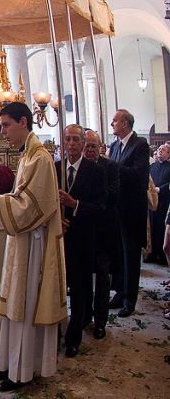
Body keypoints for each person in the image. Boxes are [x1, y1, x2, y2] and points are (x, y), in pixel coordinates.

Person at [0, 102, 66, 392]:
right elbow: (19, 198)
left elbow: (28, 209)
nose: (3, 132)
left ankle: (22, 372)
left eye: (6, 125)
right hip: (21, 241)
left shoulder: (40, 159)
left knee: (24, 303)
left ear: (24, 122)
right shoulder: (26, 156)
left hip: (33, 244)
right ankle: (9, 364)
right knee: (15, 303)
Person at [55, 124, 106, 357]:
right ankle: (54, 331)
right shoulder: (54, 168)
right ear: (63, 143)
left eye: (76, 139)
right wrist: (57, 220)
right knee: (56, 287)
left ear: (84, 144)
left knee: (79, 288)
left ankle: (74, 337)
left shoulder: (95, 172)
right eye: (68, 139)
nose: (72, 144)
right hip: (57, 238)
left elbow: (101, 208)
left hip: (83, 239)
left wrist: (74, 205)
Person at [108, 109, 150, 317]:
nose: (111, 123)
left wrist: (110, 166)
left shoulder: (140, 144)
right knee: (117, 255)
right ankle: (119, 292)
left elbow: (138, 176)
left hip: (132, 210)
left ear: (125, 123)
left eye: (115, 120)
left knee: (131, 256)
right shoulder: (115, 146)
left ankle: (129, 300)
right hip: (116, 210)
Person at [83, 129, 120, 340]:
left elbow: (114, 196)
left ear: (100, 148)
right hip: (84, 232)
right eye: (86, 146)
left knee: (103, 279)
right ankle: (85, 316)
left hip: (104, 231)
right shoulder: (79, 168)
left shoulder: (110, 167)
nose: (89, 150)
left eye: (93, 146)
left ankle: (101, 322)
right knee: (84, 278)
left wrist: (96, 190)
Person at [148, 144, 170, 264]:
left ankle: (162, 256)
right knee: (152, 227)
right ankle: (152, 253)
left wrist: (160, 189)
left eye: (163, 150)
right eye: (159, 149)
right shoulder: (152, 166)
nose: (160, 151)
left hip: (164, 202)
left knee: (161, 228)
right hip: (152, 202)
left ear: (168, 154)